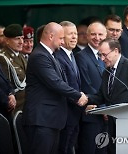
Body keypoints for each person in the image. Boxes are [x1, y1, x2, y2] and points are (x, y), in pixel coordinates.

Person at [22, 22, 88, 154]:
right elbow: (55, 82)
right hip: (41, 120)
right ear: (51, 36)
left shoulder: (49, 55)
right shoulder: (40, 56)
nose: (63, 42)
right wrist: (78, 95)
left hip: (50, 120)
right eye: (61, 38)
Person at [89, 38, 128, 154]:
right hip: (112, 127)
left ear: (115, 51)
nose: (102, 59)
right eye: (100, 55)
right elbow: (102, 96)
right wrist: (86, 98)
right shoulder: (107, 72)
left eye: (104, 55)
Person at [75, 21, 107, 154]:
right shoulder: (81, 57)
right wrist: (103, 106)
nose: (97, 37)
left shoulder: (107, 56)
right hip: (91, 114)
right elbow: (86, 85)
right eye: (93, 34)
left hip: (107, 114)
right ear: (87, 36)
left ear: (106, 36)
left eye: (100, 34)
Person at [54, 21, 82, 154]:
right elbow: (63, 85)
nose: (74, 37)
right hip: (65, 115)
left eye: (75, 33)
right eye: (70, 34)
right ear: (61, 37)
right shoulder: (58, 57)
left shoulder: (71, 55)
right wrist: (80, 99)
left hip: (74, 114)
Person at [0, 24, 27, 113]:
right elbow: (6, 85)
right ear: (7, 40)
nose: (21, 42)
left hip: (26, 105)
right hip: (16, 107)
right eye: (17, 39)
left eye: (22, 38)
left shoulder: (21, 56)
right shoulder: (3, 58)